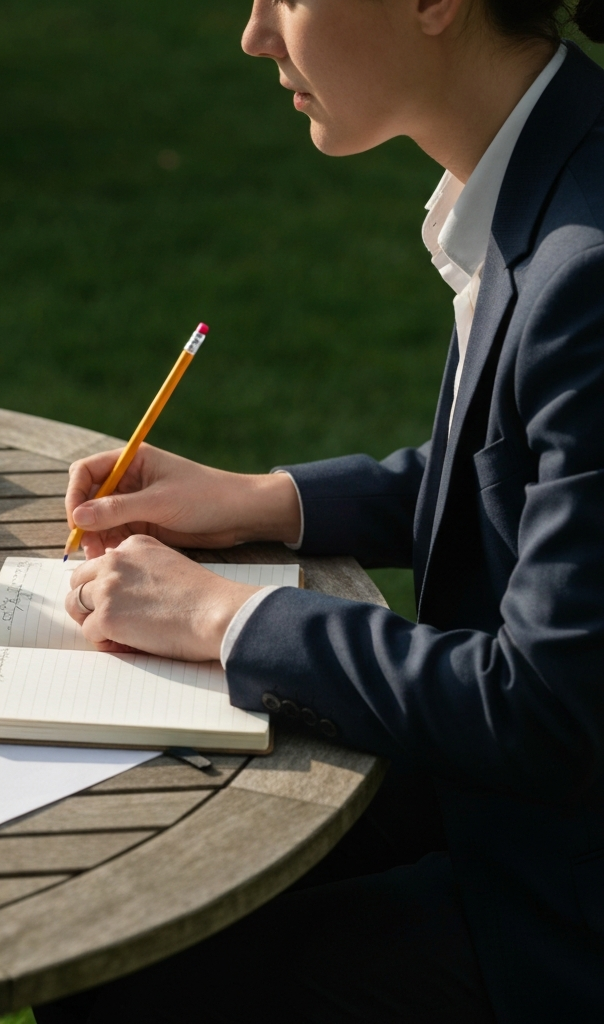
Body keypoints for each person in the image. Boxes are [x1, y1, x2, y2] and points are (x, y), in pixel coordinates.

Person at [32, 0, 604, 1020]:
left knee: (120, 967)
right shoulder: (552, 171)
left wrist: (221, 616)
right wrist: (264, 499)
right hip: (516, 802)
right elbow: (523, 473)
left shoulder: (588, 262)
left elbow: (542, 709)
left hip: (558, 898)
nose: (253, 36)